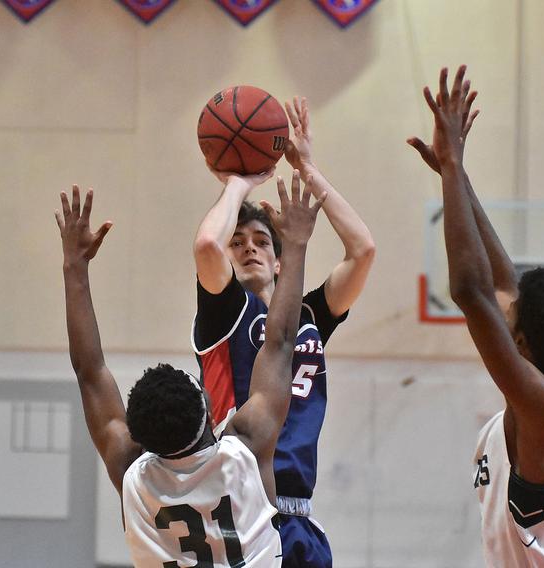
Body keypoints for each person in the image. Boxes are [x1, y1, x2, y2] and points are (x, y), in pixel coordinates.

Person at [56, 176, 323, 567]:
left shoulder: (133, 472)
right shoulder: (243, 453)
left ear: (137, 434)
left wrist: (73, 267)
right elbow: (281, 342)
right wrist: (297, 244)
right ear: (212, 414)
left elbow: (89, 371)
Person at [408, 65, 544, 566]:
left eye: (512, 315)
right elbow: (500, 285)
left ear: (520, 346)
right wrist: (457, 176)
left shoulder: (543, 411)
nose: (507, 301)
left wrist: (453, 170)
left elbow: (472, 291)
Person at [192, 96, 375, 567]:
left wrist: (309, 170)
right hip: (240, 512)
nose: (249, 248)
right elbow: (207, 243)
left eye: (261, 241)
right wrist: (237, 182)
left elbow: (363, 250)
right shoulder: (224, 311)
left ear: (279, 258)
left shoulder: (306, 316)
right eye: (240, 243)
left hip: (298, 516)